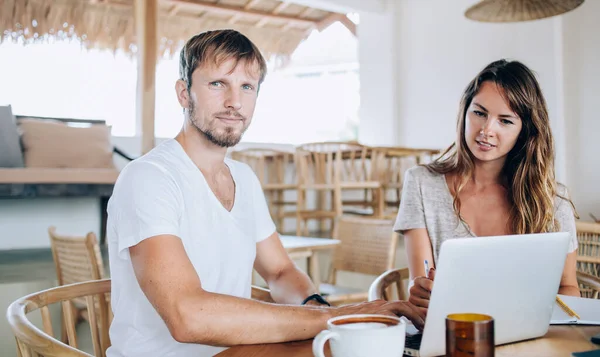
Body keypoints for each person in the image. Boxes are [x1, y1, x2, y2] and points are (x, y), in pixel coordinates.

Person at [106, 29, 424, 357]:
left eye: (247, 87)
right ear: (184, 93)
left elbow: (280, 272)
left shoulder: (244, 178)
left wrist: (321, 310)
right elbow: (187, 316)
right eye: (218, 84)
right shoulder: (149, 178)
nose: (234, 102)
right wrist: (336, 316)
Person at [394, 59, 580, 318]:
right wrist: (421, 291)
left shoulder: (552, 200)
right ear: (465, 112)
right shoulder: (422, 183)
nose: (486, 130)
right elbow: (422, 284)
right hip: (454, 334)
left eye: (505, 121)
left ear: (524, 131)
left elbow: (567, 287)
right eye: (479, 113)